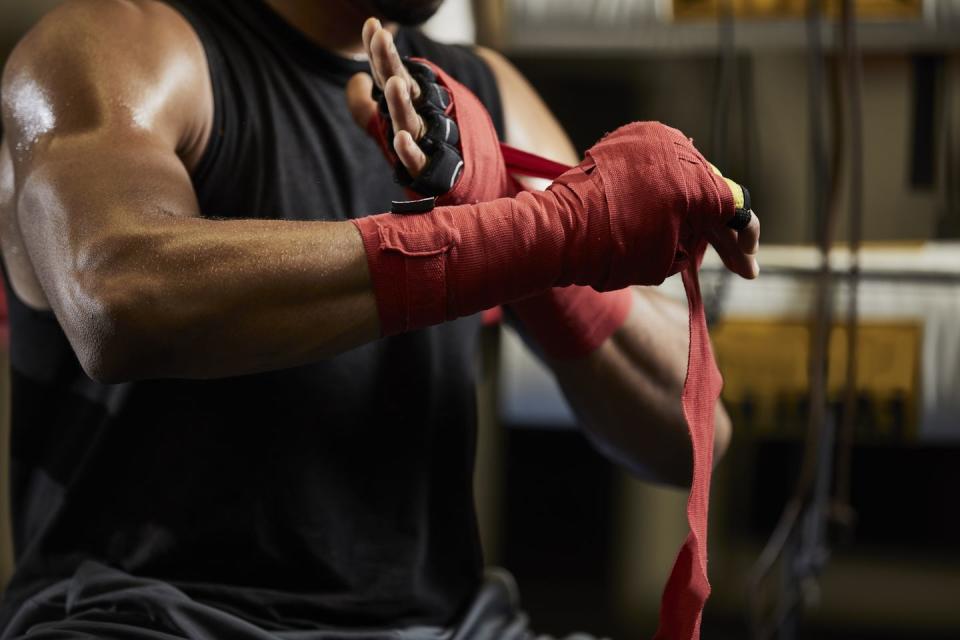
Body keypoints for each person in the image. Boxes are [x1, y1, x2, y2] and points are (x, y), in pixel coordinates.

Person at [0, 1, 759, 638]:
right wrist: (536, 234)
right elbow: (118, 296)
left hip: (444, 625)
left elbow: (690, 434)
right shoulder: (122, 49)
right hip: (157, 618)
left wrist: (540, 241)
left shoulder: (481, 92)